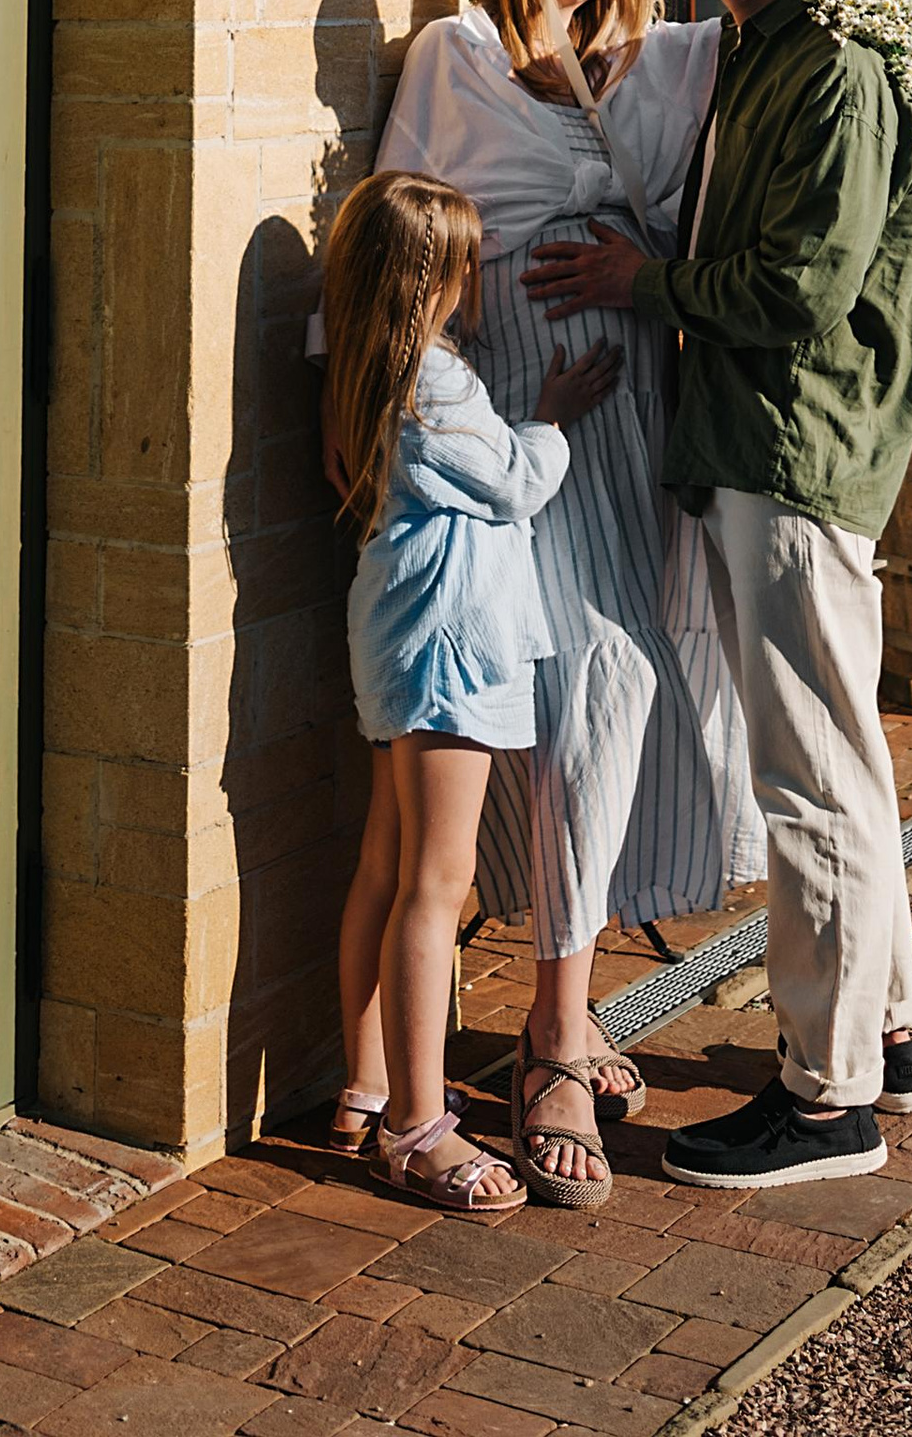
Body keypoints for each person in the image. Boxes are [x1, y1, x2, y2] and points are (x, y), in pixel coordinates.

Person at [526, 0, 912, 1190]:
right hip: (774, 448)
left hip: (796, 451)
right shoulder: (770, 44)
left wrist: (636, 286)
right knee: (848, 761)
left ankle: (826, 1106)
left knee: (809, 781)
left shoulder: (832, 69)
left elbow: (799, 292)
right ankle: (885, 1032)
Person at [357, 0, 763, 1206]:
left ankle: (568, 999)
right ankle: (545, 1044)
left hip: (629, 387)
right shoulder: (456, 54)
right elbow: (396, 232)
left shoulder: (647, 69)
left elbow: (760, 47)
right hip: (530, 387)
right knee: (594, 676)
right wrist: (420, 399)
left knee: (634, 675)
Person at [320, 165, 617, 1215]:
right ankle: (416, 1125)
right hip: (450, 642)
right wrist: (550, 415)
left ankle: (365, 1086)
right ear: (428, 281)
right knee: (436, 886)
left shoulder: (362, 362)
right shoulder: (434, 380)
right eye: (463, 265)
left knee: (385, 863)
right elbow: (520, 480)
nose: (474, 279)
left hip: (399, 632)